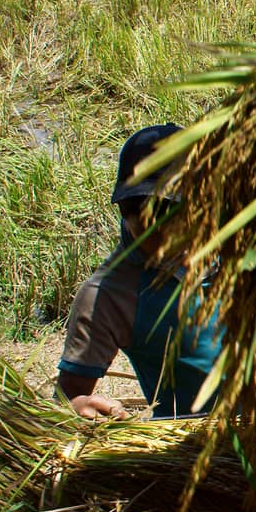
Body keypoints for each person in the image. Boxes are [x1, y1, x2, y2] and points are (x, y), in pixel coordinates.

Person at [55, 124, 221, 420]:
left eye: (166, 210)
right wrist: (78, 407)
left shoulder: (242, 242)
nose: (150, 228)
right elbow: (68, 399)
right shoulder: (108, 295)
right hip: (203, 450)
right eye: (135, 209)